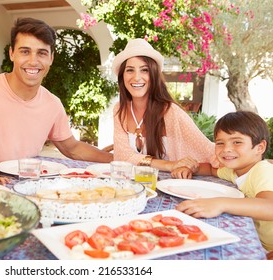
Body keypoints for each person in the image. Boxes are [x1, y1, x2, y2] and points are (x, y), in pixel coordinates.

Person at [0, 17, 113, 165]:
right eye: (25, 51)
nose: (33, 61)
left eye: (41, 53)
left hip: (24, 184)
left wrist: (117, 159)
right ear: (12, 54)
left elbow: (72, 148)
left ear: (51, 58)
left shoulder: (52, 104)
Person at [172, 111, 273, 258]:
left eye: (237, 142)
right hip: (259, 241)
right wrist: (190, 168)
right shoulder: (235, 170)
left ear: (260, 147)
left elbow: (270, 206)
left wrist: (220, 203)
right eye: (220, 143)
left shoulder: (262, 170)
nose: (226, 149)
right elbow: (212, 170)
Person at [112, 38, 215, 172]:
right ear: (122, 76)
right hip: (132, 186)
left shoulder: (170, 112)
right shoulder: (120, 109)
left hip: (167, 187)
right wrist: (169, 165)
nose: (136, 77)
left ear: (154, 75)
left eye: (144, 70)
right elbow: (122, 157)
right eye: (130, 70)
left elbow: (207, 150)